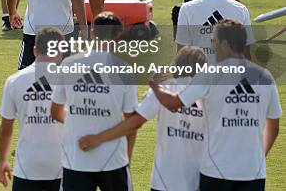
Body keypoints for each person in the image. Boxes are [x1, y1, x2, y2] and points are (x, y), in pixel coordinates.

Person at [150, 19, 281, 191]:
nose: (213, 45)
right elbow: (274, 126)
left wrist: (154, 85)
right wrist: (259, 156)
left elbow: (173, 104)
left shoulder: (210, 74)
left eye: (215, 41)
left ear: (225, 44)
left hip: (216, 172)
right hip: (254, 172)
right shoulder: (265, 76)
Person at [79, 46, 208, 191]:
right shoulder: (210, 94)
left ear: (177, 65)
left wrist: (99, 137)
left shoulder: (163, 89)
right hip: (199, 180)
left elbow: (134, 122)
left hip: (164, 181)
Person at [51, 12, 137, 191]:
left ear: (92, 33)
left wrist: (78, 120)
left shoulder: (68, 64)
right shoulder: (125, 70)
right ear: (118, 36)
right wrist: (127, 158)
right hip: (113, 160)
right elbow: (131, 123)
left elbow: (55, 111)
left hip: (76, 159)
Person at [0, 27, 65, 191]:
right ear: (61, 52)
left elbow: (6, 128)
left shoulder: (14, 81)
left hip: (26, 168)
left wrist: (2, 161)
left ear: (35, 50)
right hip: (61, 168)